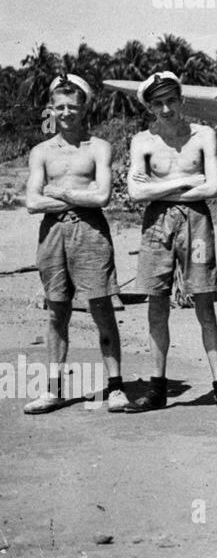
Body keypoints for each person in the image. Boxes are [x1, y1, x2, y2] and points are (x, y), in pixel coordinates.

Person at [124, 72, 217, 411]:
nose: (166, 109)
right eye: (158, 103)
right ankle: (157, 387)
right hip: (157, 225)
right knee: (156, 304)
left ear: (181, 100)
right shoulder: (142, 142)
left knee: (204, 302)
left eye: (171, 101)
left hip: (196, 222)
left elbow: (212, 187)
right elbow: (135, 192)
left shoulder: (202, 135)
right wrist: (183, 182)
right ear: (150, 107)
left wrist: (160, 186)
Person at [24, 74, 127, 414]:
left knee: (101, 307)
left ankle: (115, 388)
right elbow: (33, 203)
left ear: (85, 108)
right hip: (53, 233)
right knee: (57, 311)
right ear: (51, 110)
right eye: (60, 107)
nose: (67, 113)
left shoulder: (99, 147)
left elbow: (103, 197)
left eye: (73, 106)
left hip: (90, 233)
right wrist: (78, 199)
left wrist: (62, 193)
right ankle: (52, 391)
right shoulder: (40, 152)